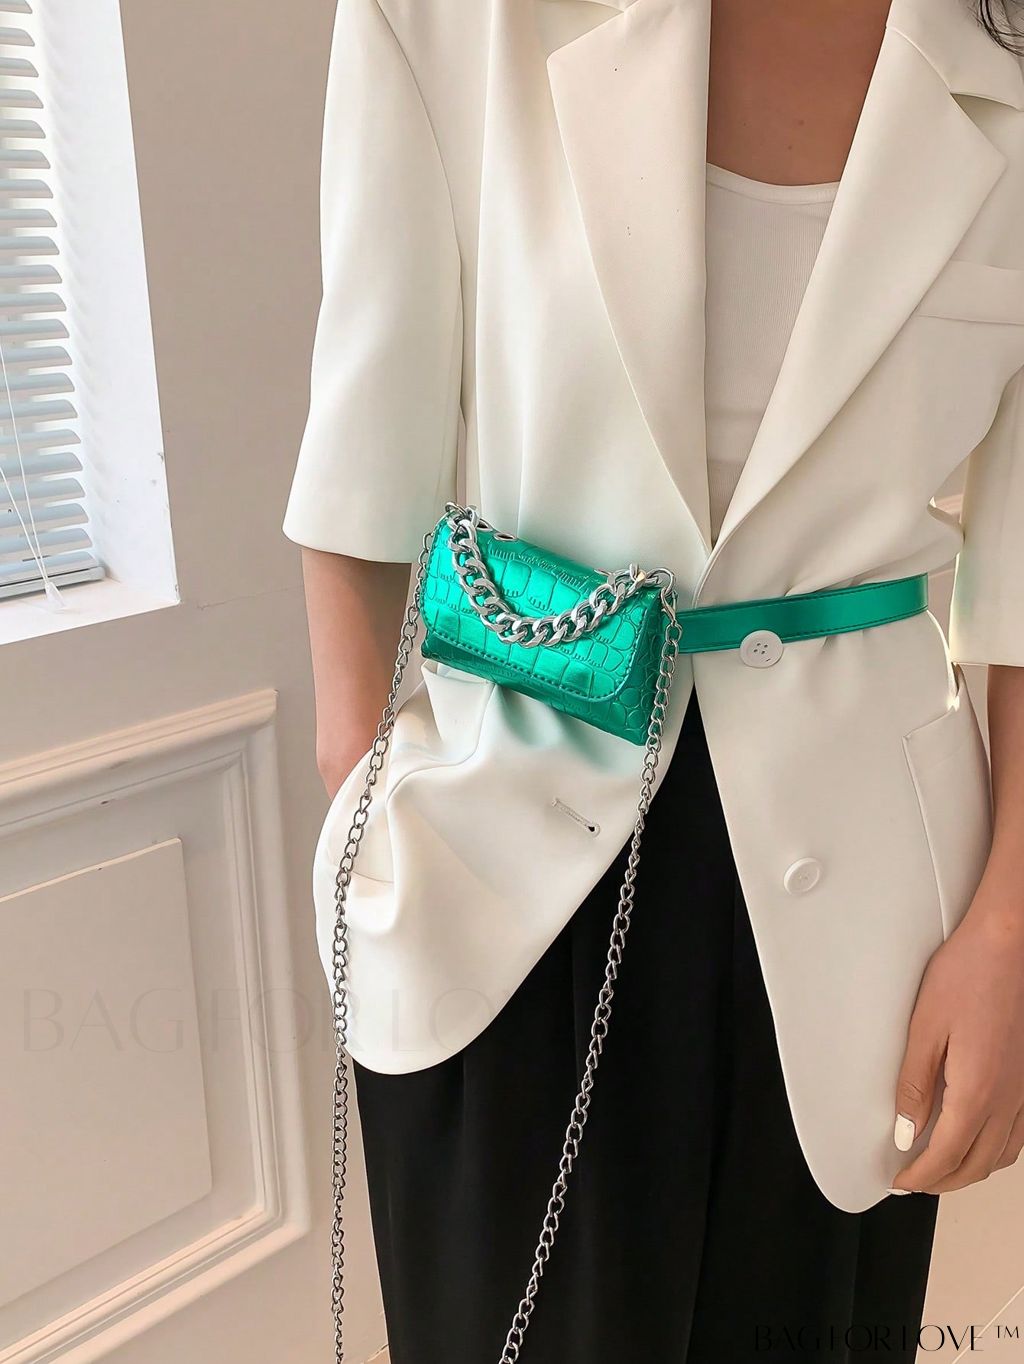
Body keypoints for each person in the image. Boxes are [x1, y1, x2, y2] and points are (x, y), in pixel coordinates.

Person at [283, 0, 1024, 1359]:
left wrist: (1014, 926)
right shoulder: (452, 20)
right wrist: (363, 802)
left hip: (864, 921)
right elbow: (362, 463)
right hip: (495, 876)